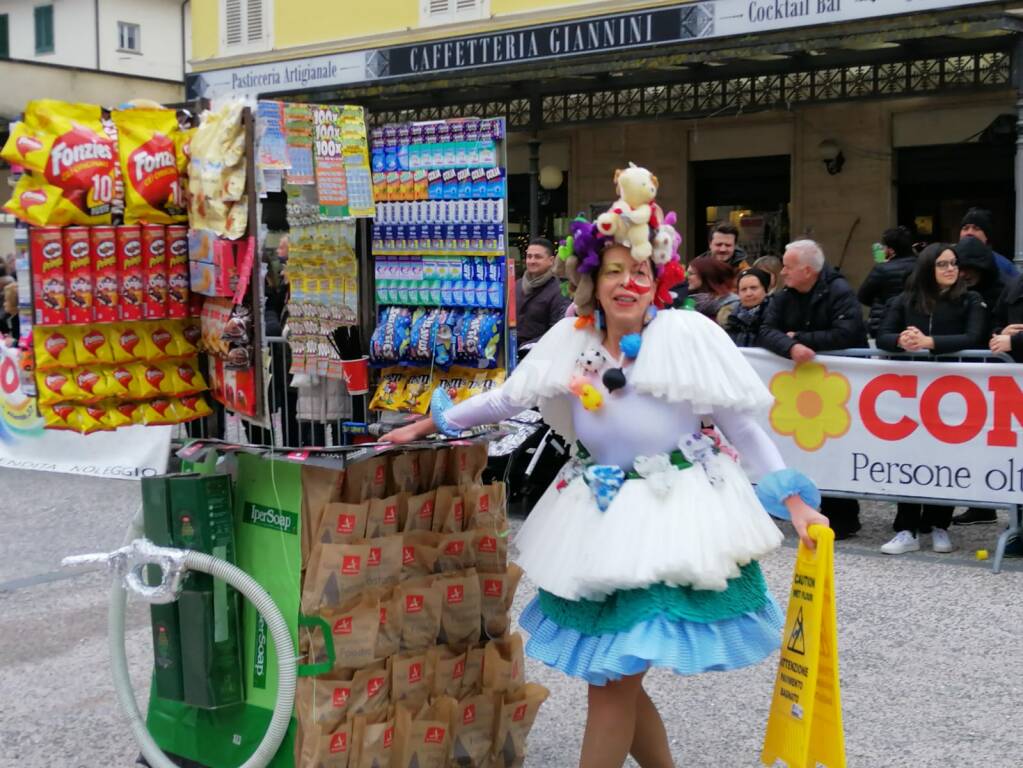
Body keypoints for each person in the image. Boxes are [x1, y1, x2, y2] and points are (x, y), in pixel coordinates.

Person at [383, 176, 827, 768]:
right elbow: (507, 399)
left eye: (640, 271)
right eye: (615, 270)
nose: (629, 283)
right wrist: (429, 423)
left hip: (672, 517)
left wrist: (792, 501)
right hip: (595, 514)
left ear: (659, 280)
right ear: (592, 280)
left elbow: (743, 428)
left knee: (611, 679)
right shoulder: (572, 337)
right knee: (617, 676)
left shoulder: (687, 333)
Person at [874, 243, 988, 554]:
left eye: (953, 263)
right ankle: (907, 528)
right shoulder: (905, 300)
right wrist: (901, 340)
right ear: (928, 268)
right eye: (943, 264)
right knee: (910, 457)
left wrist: (930, 342)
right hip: (910, 395)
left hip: (954, 394)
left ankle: (939, 525)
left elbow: (974, 337)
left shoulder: (970, 299)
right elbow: (882, 333)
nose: (951, 269)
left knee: (946, 458)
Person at [759, 240, 868, 539]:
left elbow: (848, 331)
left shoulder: (840, 292)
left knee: (836, 448)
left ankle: (843, 516)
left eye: (788, 267)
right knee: (799, 448)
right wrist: (791, 345)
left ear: (807, 271)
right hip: (798, 389)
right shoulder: (784, 296)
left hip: (837, 388)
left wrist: (804, 337)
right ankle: (799, 506)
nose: (782, 273)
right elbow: (766, 330)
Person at [857, 225, 917, 338]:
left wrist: (880, 302)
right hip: (915, 325)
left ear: (891, 250)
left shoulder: (882, 269)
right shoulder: (922, 265)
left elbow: (863, 296)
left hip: (884, 324)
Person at [516, 237, 571, 354]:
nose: (532, 261)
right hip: (511, 353)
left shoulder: (559, 290)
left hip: (539, 355)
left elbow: (558, 330)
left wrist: (527, 347)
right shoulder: (517, 284)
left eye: (538, 257)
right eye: (529, 256)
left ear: (551, 260)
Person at [959, 207, 1018, 279]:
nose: (969, 232)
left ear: (986, 236)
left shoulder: (1003, 265)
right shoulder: (951, 259)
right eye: (965, 228)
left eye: (976, 228)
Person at [726, 267, 772, 347]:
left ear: (765, 290)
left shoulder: (775, 316)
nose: (748, 293)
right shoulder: (732, 319)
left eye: (753, 288)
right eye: (743, 289)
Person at [686, 256, 739, 326]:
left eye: (691, 273)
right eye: (687, 273)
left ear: (707, 275)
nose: (686, 276)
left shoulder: (732, 305)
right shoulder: (685, 302)